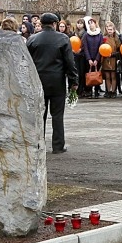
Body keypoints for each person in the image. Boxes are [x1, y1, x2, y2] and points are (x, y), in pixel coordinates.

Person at [26, 13, 78, 154]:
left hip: (38, 81)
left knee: (39, 115)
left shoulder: (32, 39)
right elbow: (69, 61)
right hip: (57, 81)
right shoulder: (62, 38)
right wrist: (74, 80)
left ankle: (38, 144)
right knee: (57, 115)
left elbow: (27, 62)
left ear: (41, 24)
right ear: (54, 24)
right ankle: (58, 145)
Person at [80, 17, 103, 98]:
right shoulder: (86, 35)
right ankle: (89, 91)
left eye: (92, 23)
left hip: (97, 58)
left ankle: (97, 91)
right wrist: (89, 59)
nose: (90, 25)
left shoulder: (100, 35)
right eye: (89, 23)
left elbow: (100, 47)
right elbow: (85, 47)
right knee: (89, 74)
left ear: (95, 24)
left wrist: (97, 59)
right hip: (88, 58)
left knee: (97, 74)